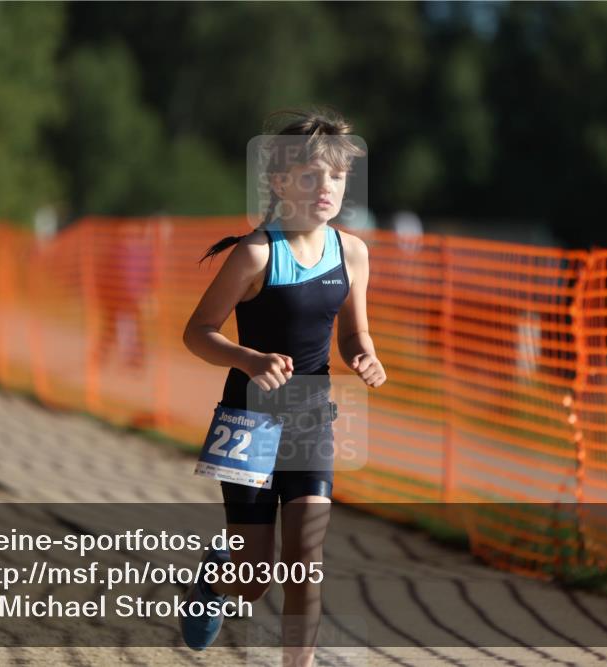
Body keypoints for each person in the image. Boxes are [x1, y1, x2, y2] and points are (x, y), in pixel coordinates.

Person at [181, 108, 386, 667]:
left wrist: (364, 356)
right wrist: (248, 359)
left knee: (305, 555)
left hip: (310, 416)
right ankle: (218, 580)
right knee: (255, 578)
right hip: (247, 417)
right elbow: (197, 333)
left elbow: (353, 332)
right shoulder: (254, 253)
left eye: (338, 176)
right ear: (278, 182)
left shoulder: (353, 254)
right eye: (311, 175)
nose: (327, 188)